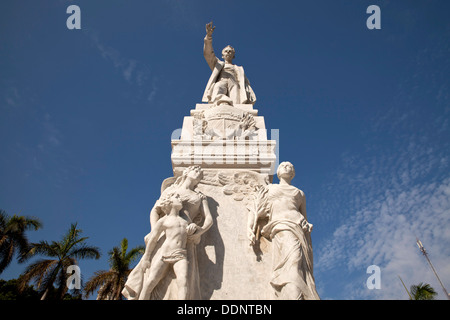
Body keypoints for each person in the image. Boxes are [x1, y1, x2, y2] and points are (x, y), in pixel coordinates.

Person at [248, 162, 320, 300]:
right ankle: (292, 293)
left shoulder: (299, 193)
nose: (286, 167)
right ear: (278, 172)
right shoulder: (270, 189)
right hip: (281, 226)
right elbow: (255, 208)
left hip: (297, 227)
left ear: (293, 173)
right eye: (283, 165)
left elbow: (304, 216)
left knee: (298, 263)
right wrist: (250, 228)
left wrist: (307, 225)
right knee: (293, 260)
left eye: (290, 166)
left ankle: (294, 292)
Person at [138, 193, 196, 300]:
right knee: (151, 281)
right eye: (177, 197)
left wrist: (193, 227)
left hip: (180, 254)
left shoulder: (185, 221)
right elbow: (153, 239)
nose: (180, 198)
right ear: (169, 203)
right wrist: (147, 257)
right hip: (164, 254)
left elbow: (196, 239)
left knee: (183, 281)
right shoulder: (164, 220)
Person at [202, 21, 256, 106]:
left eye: (230, 52)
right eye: (226, 51)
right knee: (217, 92)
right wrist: (208, 36)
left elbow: (245, 82)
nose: (228, 53)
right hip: (221, 81)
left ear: (233, 56)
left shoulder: (238, 68)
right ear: (222, 55)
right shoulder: (218, 64)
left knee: (236, 104)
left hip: (234, 83)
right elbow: (208, 54)